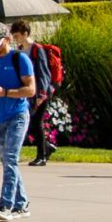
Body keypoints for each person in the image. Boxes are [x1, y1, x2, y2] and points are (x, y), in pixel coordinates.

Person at [0, 19, 41, 221]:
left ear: (8, 39)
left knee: (11, 158)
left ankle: (6, 205)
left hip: (18, 114)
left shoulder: (19, 59)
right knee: (7, 161)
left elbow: (31, 90)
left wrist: (5, 92)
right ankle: (22, 204)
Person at [26, 26, 69, 167]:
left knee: (36, 122)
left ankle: (42, 156)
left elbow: (44, 74)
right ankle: (47, 148)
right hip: (30, 92)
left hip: (42, 92)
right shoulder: (21, 50)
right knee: (29, 123)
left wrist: (42, 95)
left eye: (17, 34)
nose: (15, 37)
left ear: (25, 33)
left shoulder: (37, 50)